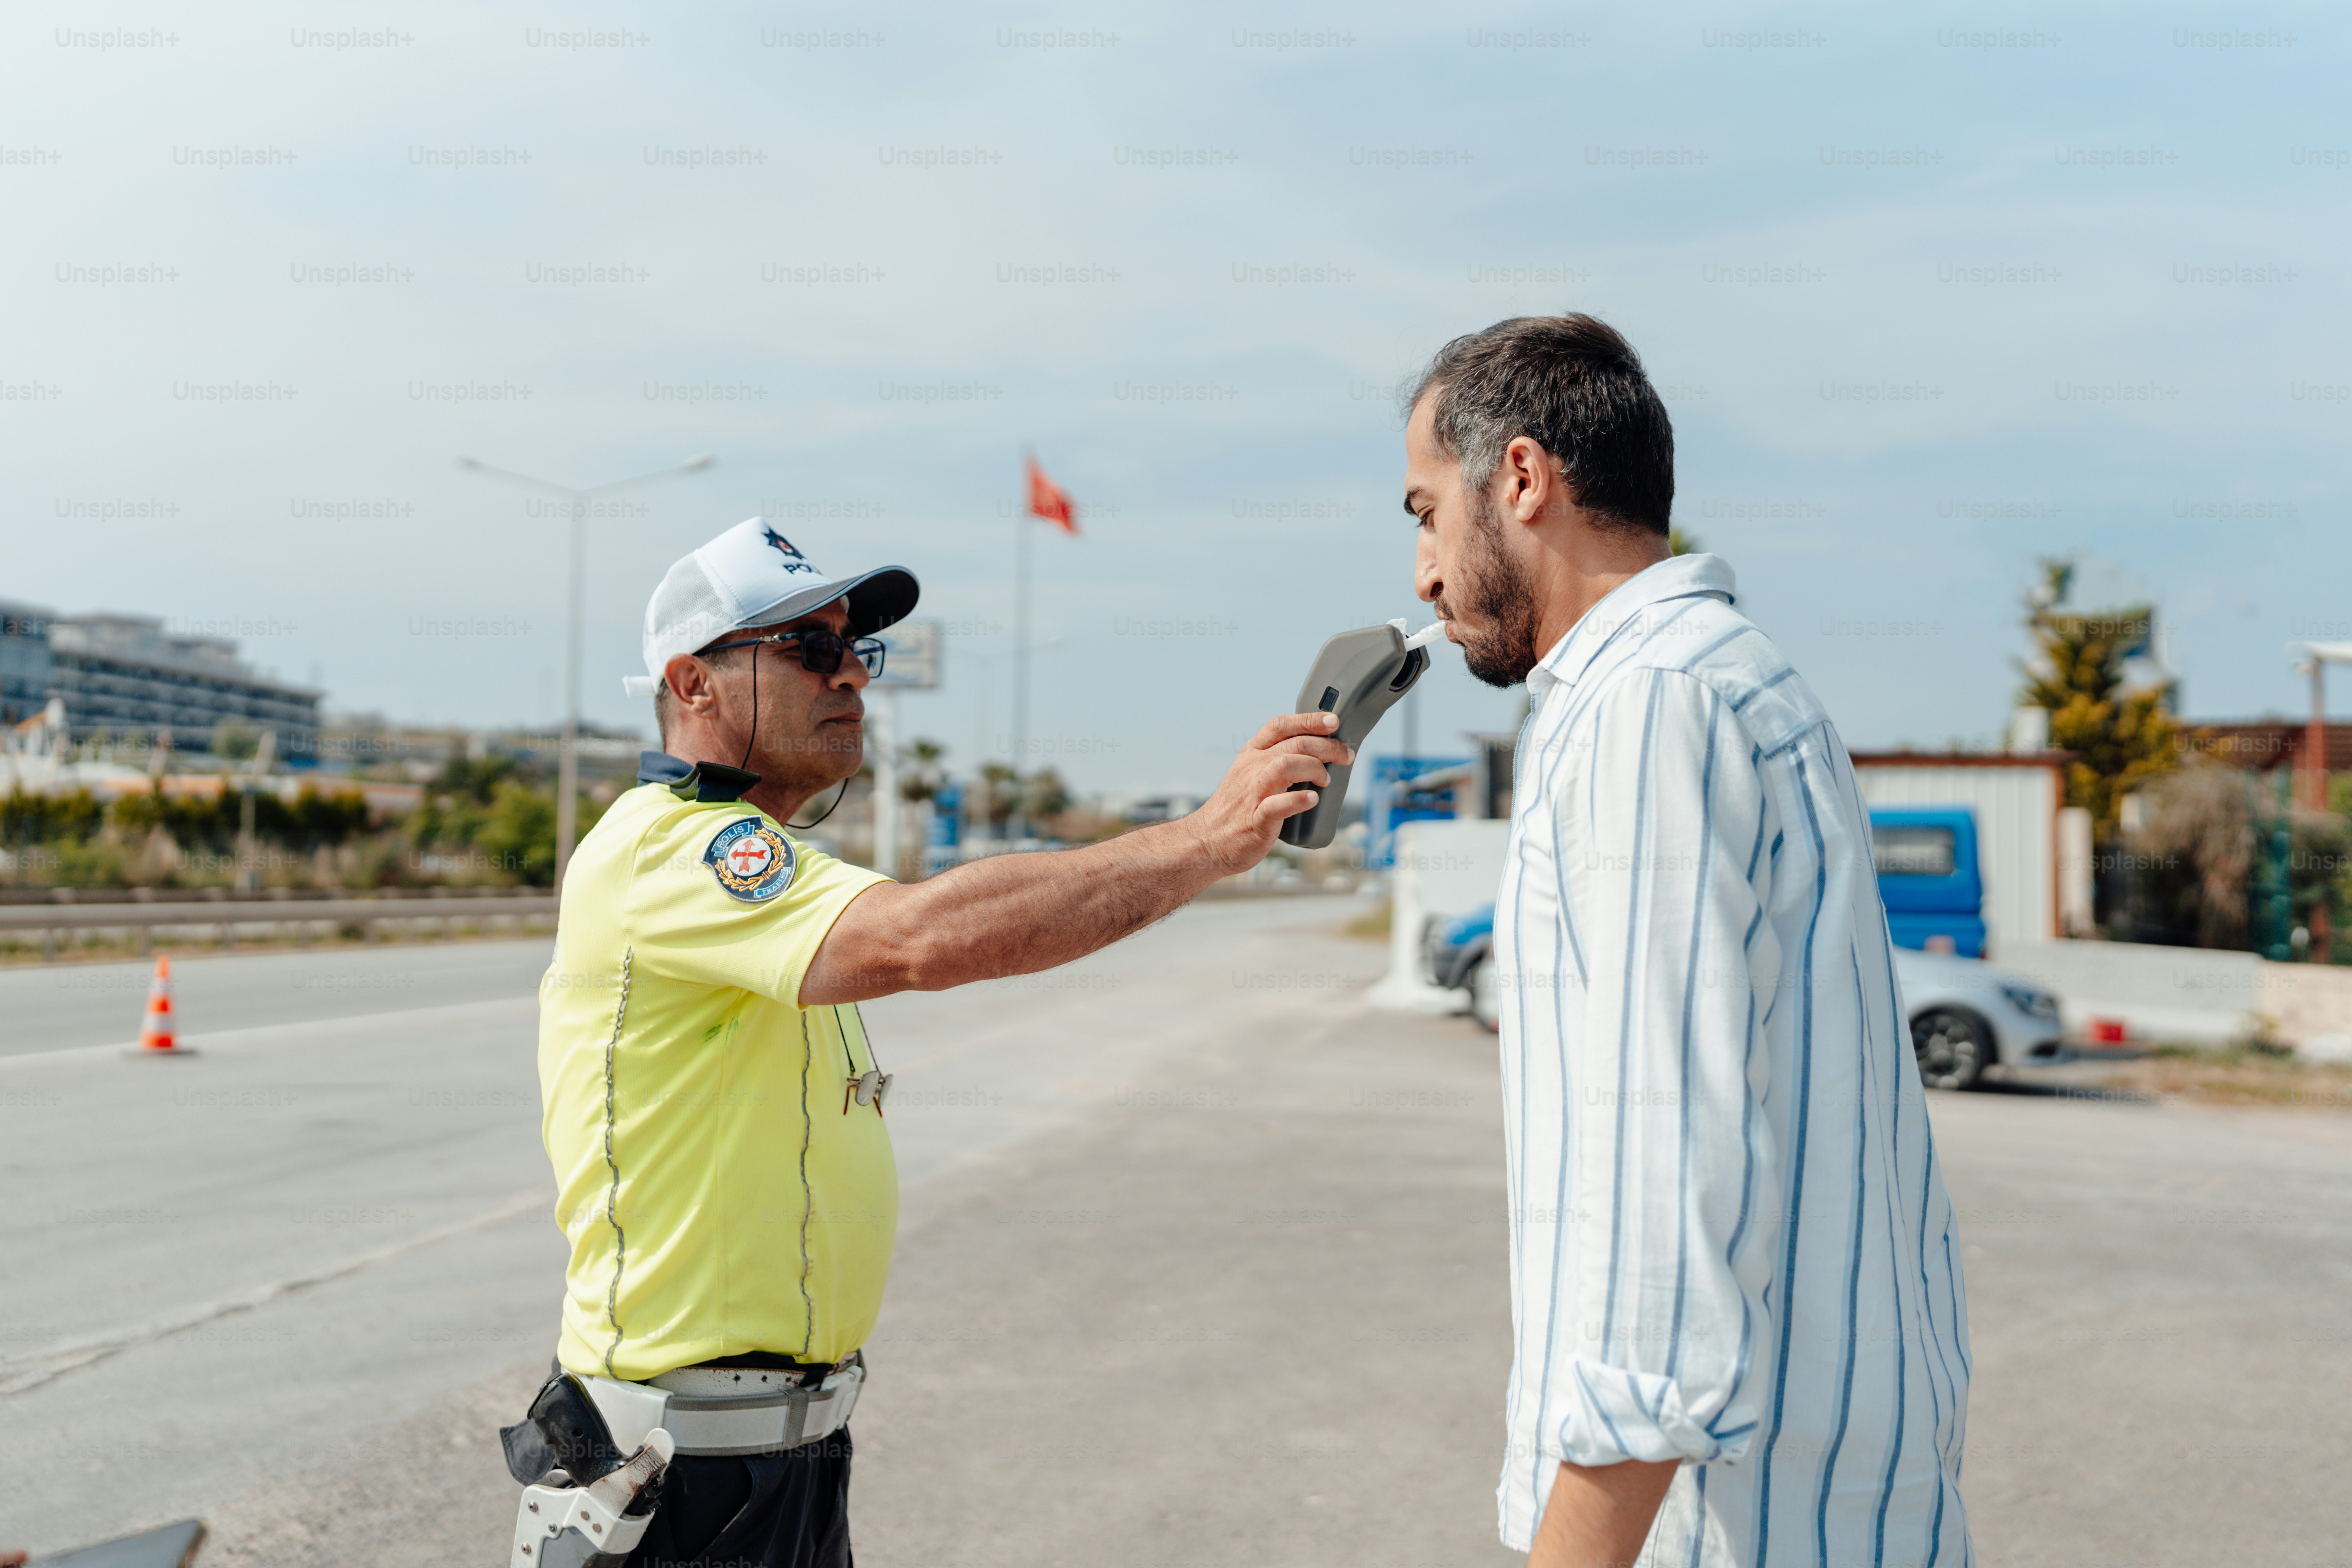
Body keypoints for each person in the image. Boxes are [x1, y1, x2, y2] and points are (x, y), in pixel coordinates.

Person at [517, 518, 1349, 1568]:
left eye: (855, 652)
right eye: (810, 651)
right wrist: (1201, 842)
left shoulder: (759, 864)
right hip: (678, 1471)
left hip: (781, 1456)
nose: (851, 680)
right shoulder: (671, 849)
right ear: (693, 684)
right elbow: (921, 938)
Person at [1401, 317, 1972, 1567]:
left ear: (1521, 479)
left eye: (1425, 512)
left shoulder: (1645, 707)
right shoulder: (1734, 679)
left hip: (1724, 1530)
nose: (1427, 573)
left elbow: (1659, 1184)